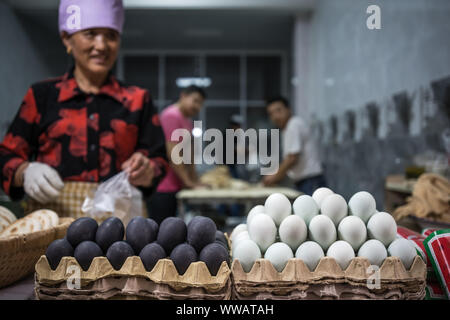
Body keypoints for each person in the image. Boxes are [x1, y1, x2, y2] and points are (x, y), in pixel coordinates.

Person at [0, 0, 168, 220]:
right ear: (67, 39)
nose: (102, 45)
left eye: (111, 36)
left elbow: (160, 161)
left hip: (120, 223)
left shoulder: (138, 99)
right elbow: (6, 156)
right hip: (52, 224)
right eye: (90, 34)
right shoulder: (42, 96)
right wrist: (25, 172)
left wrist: (147, 170)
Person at [147, 85, 206, 223]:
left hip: (175, 185)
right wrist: (188, 182)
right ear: (183, 96)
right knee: (161, 234)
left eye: (200, 104)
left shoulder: (186, 121)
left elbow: (189, 154)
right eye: (195, 101)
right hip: (163, 186)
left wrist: (195, 181)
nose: (197, 107)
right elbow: (173, 153)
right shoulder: (171, 115)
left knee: (172, 232)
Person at [263, 96, 326, 195]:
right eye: (271, 113)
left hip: (310, 181)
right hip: (306, 181)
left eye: (278, 110)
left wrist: (275, 176)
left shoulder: (294, 125)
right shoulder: (288, 128)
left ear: (288, 109)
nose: (275, 116)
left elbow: (292, 158)